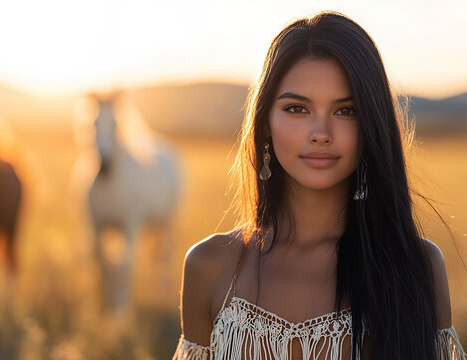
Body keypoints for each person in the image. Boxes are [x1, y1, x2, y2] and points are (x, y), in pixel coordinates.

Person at [172, 10, 466, 360]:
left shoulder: (416, 265)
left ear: (372, 124)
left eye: (346, 111)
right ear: (265, 122)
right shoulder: (209, 264)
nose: (321, 134)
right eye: (297, 109)